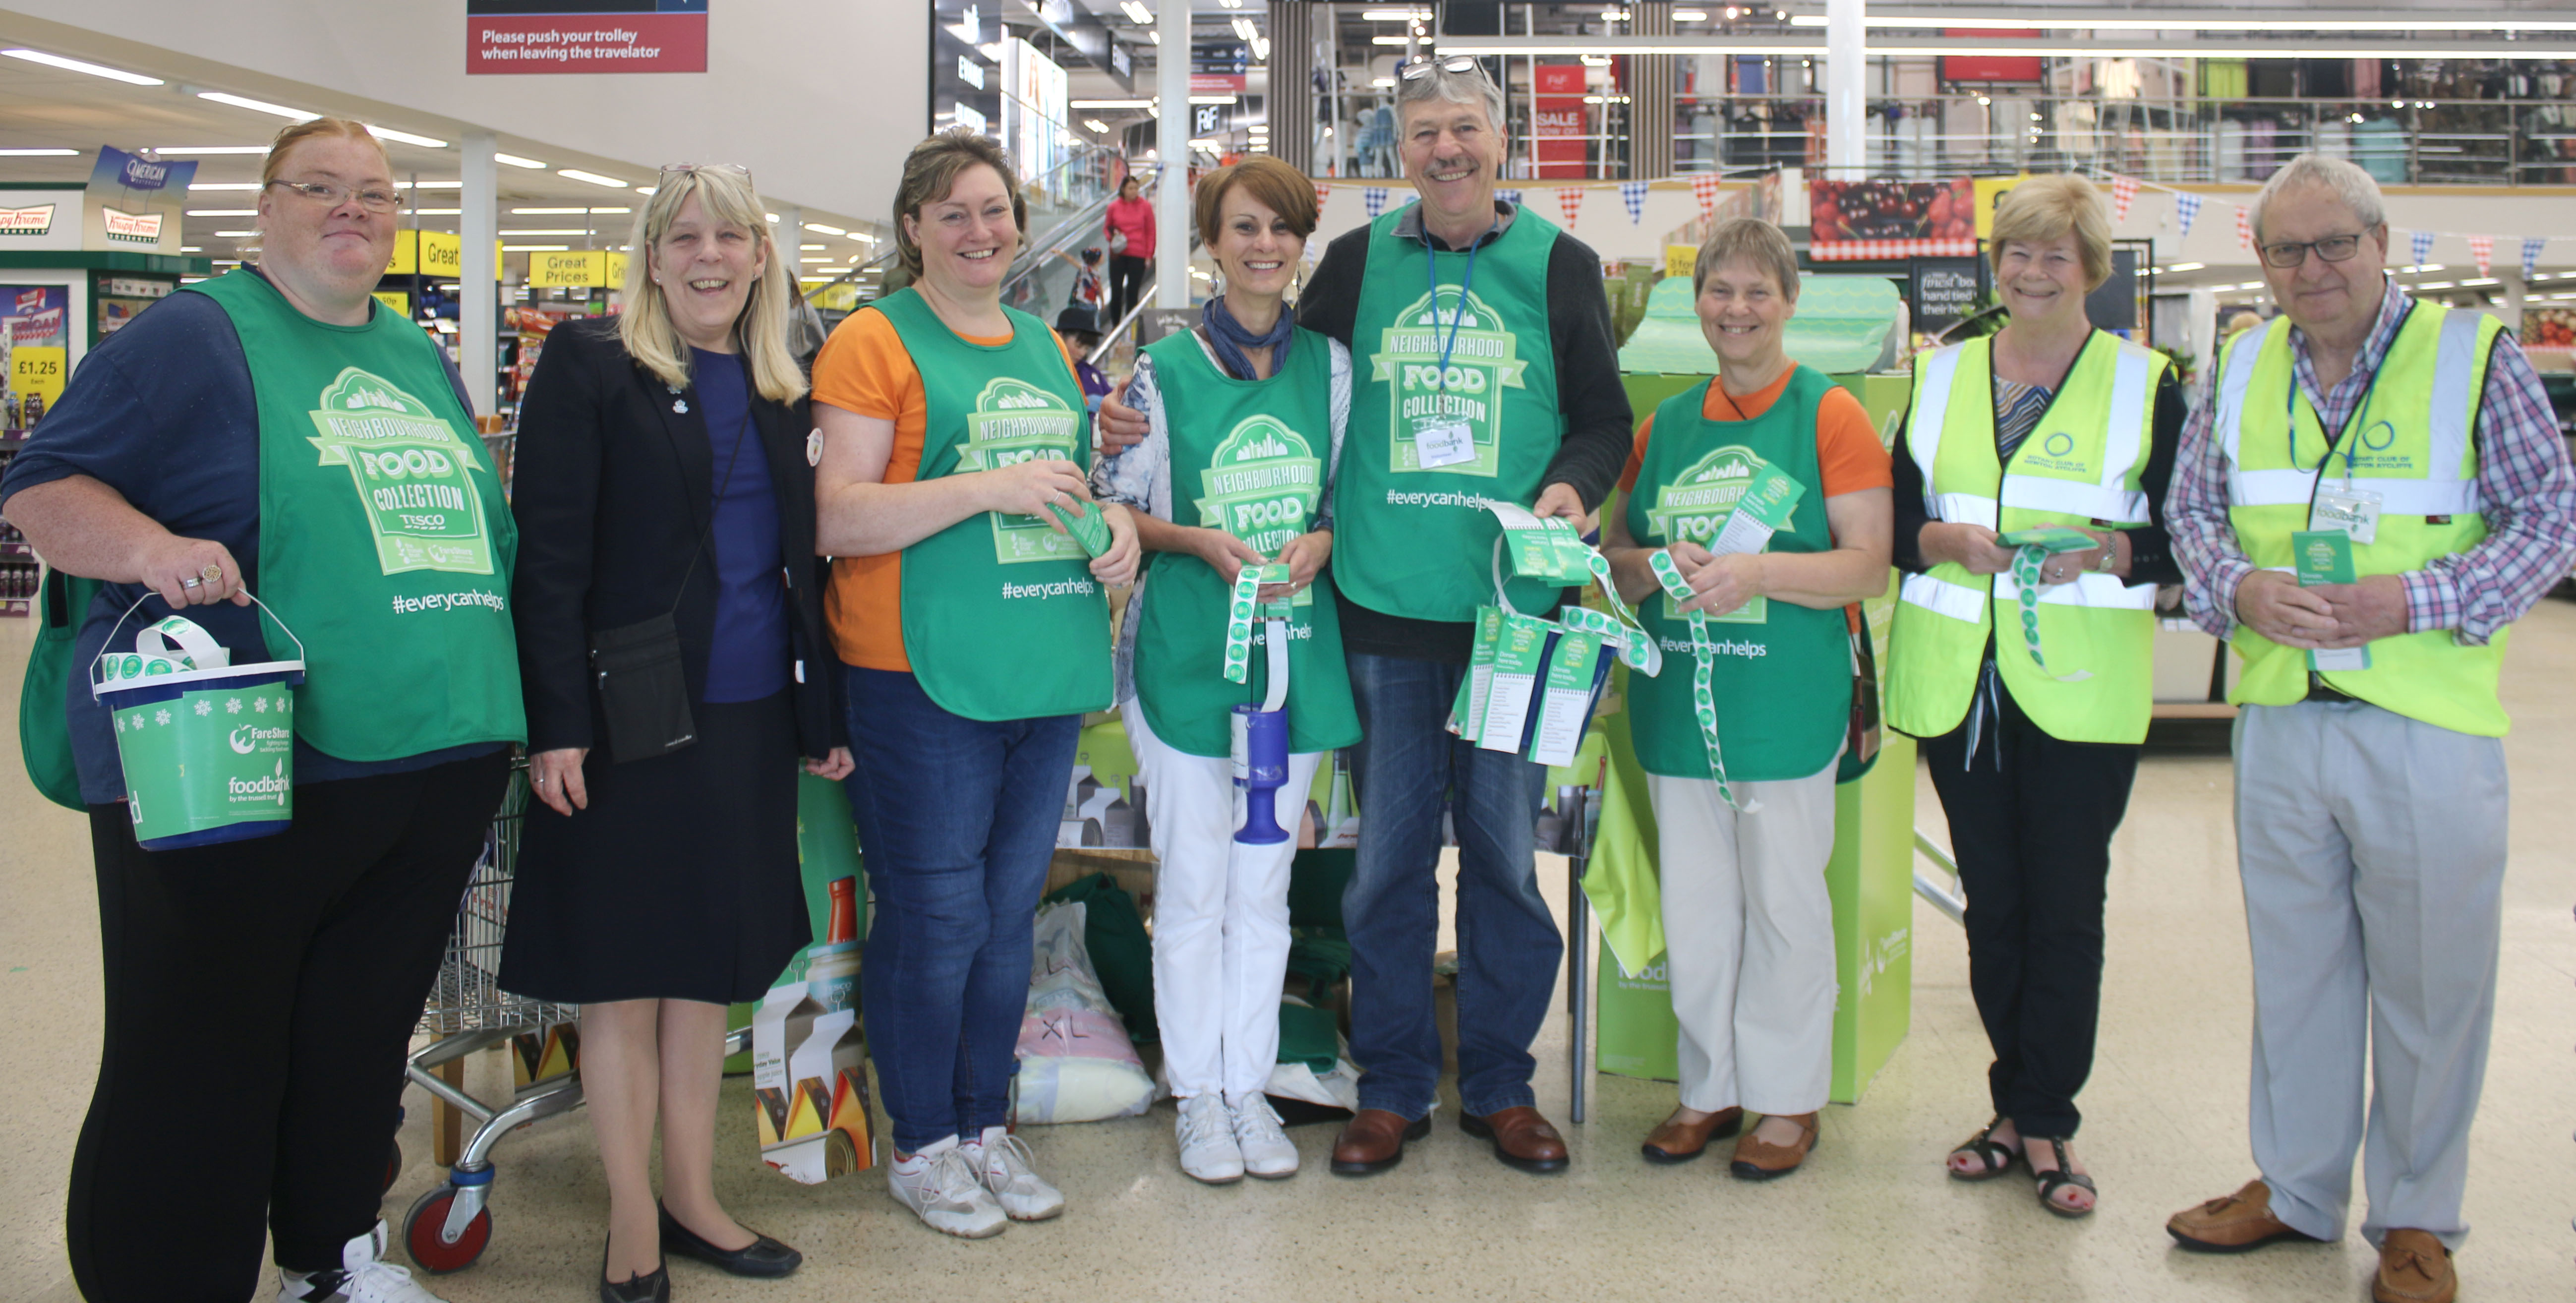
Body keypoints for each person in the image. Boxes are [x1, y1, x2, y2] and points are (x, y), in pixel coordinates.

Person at [1, 118, 523, 1303]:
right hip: (243, 760)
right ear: (268, 205)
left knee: (355, 1037)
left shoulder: (407, 348)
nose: (353, 210)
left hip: (426, 760)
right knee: (201, 1045)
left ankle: (329, 1257)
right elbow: (39, 486)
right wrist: (149, 546)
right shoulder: (193, 336)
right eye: (322, 188)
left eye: (376, 195)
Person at [1102, 54, 1636, 1178]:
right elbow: (1276, 382)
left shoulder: (1562, 264)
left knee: (1500, 858)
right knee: (1387, 865)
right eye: (1424, 132)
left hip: (1507, 615)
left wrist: (1572, 489)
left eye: (1465, 130)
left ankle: (1497, 1082)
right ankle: (1391, 1084)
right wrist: (1127, 425)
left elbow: (1601, 416)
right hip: (1379, 615)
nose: (1446, 149)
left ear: (1501, 143)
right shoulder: (1353, 262)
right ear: (1399, 153)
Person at [2164, 154, 2576, 1303]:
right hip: (2284, 714)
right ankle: (2294, 1187)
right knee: (2294, 973)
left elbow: (2552, 518)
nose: (2312, 268)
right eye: (2287, 250)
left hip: (2424, 718)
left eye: (2333, 242)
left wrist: (2416, 598)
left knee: (2432, 983)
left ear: (2380, 241)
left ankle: (2413, 1214)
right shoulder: (2240, 362)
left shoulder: (2468, 356)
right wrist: (2238, 588)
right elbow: (2191, 511)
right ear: (2261, 262)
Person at [500, 163, 849, 1303]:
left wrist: (819, 713)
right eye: (686, 237)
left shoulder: (784, 382)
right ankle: (632, 1223)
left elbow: (803, 567)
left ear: (760, 255)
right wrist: (554, 725)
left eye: (731, 237)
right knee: (624, 974)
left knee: (708, 971)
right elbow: (547, 559)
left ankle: (696, 1196)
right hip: (624, 718)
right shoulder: (591, 366)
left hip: (748, 716)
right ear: (651, 257)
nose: (710, 257)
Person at [810, 129, 1141, 1240]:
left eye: (996, 210)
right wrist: (986, 486)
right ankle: (922, 1144)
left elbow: (1067, 491)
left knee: (1006, 919)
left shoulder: (1046, 347)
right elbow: (837, 514)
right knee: (937, 913)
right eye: (953, 212)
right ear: (913, 228)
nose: (981, 232)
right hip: (917, 674)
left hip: (1036, 666)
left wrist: (1115, 536)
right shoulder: (873, 340)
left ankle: (980, 1124)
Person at [1884, 173, 2184, 1218]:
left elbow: (2190, 538)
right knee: (1995, 906)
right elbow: (1891, 524)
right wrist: (1943, 542)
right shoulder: (1941, 375)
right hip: (1965, 680)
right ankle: (2014, 1102)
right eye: (2016, 251)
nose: (2033, 271)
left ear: (2093, 271)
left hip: (2079, 686)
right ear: (1993, 263)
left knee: (2065, 906)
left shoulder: (2148, 383)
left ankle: (2047, 1116)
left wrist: (2113, 549)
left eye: (2057, 254)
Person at [1601, 217, 1891, 1182]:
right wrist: (1650, 561)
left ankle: (1787, 1098)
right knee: (1698, 910)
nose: (1737, 310)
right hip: (1683, 705)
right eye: (1721, 291)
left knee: (1784, 906)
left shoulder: (1829, 416)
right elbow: (1613, 563)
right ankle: (1709, 1087)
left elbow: (1867, 564)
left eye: (1758, 293)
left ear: (1789, 303)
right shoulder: (1667, 425)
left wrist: (1761, 573)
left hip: (1783, 703)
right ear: (1700, 305)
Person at [1095, 155, 1361, 1185]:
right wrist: (1198, 541)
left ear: (1301, 244)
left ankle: (1249, 1089)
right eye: (1244, 229)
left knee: (1266, 888)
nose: (1264, 248)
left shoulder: (1331, 369)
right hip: (1183, 661)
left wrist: (1321, 549)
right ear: (1211, 244)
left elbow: (1342, 502)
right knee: (1196, 887)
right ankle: (1196, 1097)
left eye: (1281, 230)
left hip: (1288, 666)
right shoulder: (1161, 372)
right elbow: (1121, 510)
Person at [1105, 174, 1154, 331]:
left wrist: (1149, 255)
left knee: (1133, 292)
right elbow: (1107, 228)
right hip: (1118, 254)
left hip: (1138, 253)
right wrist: (1113, 238)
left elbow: (1151, 231)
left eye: (1136, 188)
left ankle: (1130, 327)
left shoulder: (1145, 206)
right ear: (1123, 189)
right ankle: (1115, 327)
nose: (1134, 191)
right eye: (1131, 188)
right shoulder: (1113, 207)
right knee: (1116, 291)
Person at [1054, 304, 1112, 414]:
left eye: (1087, 349)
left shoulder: (1091, 373)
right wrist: (1077, 406)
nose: (1082, 353)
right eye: (1078, 346)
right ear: (1060, 336)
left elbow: (1113, 398)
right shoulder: (1046, 370)